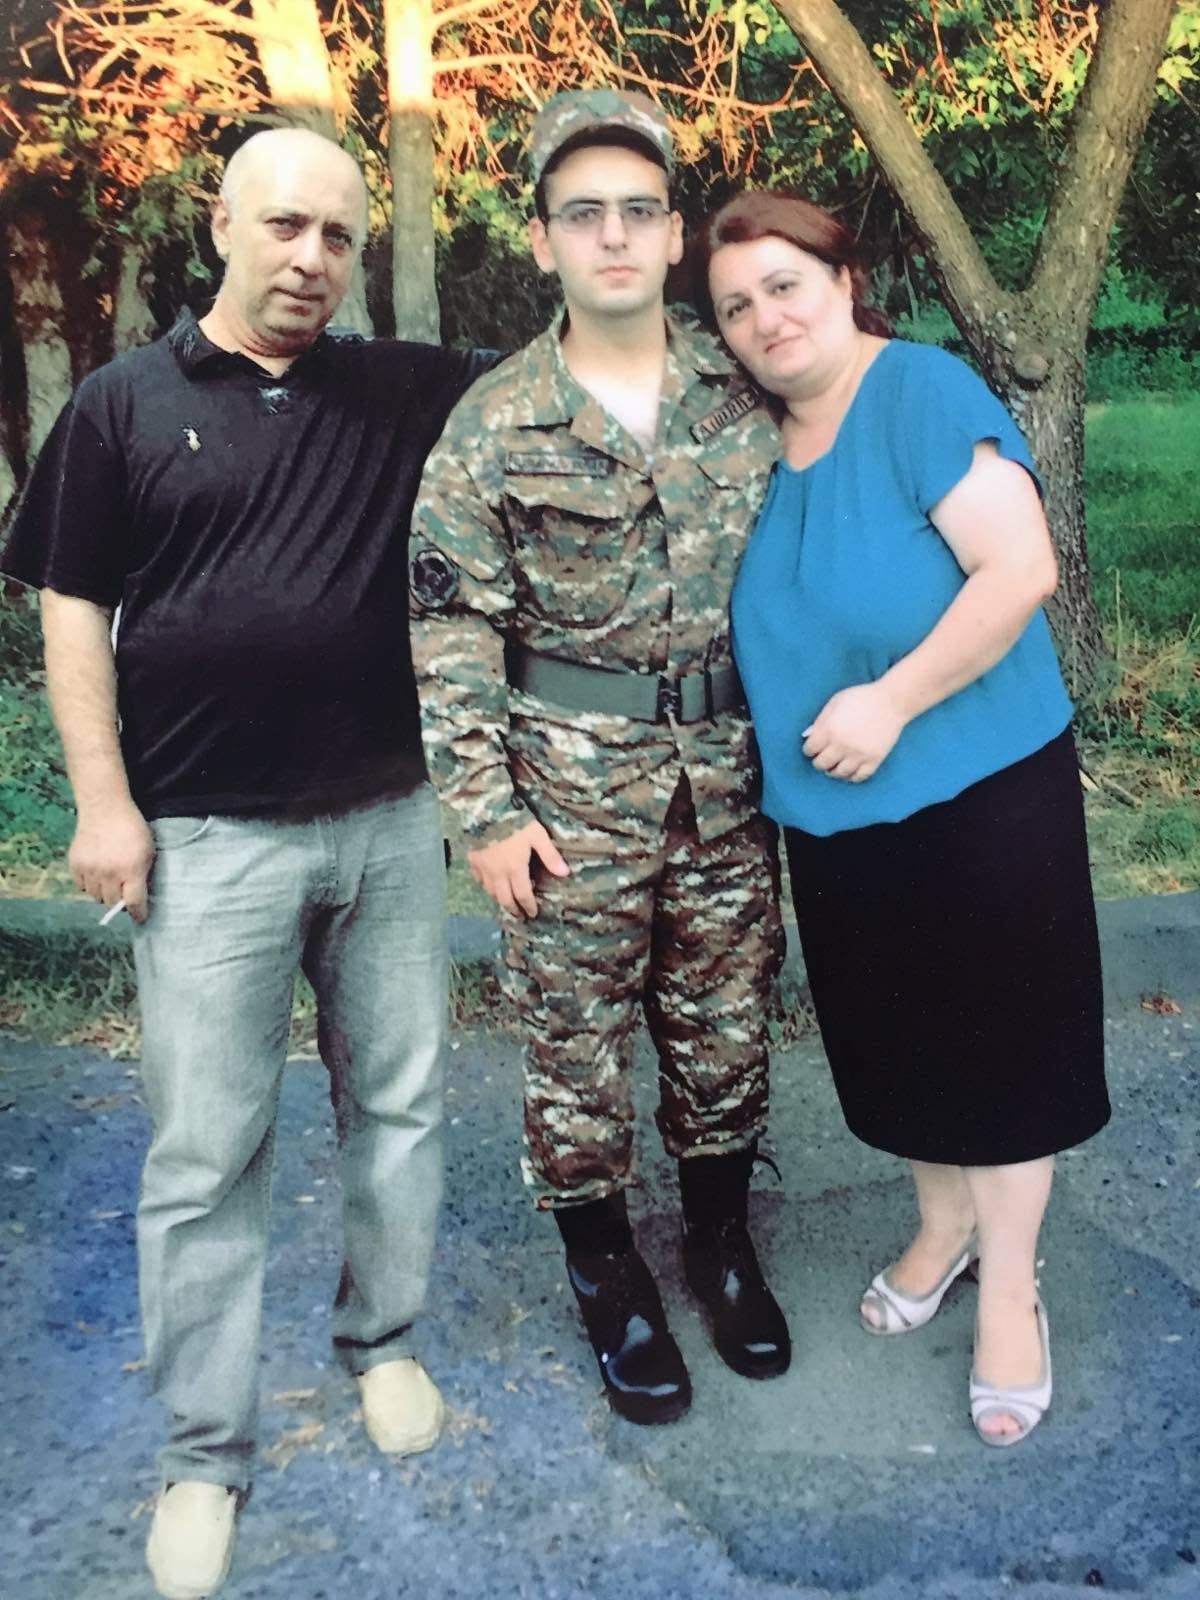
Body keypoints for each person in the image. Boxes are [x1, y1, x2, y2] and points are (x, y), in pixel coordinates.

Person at [0, 128, 496, 1598]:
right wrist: (104, 804)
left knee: (398, 1107)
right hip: (207, 838)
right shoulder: (124, 405)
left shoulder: (399, 391)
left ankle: (381, 1344)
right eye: (285, 226)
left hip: (389, 822)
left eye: (338, 237)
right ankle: (203, 1455)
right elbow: (72, 610)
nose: (311, 259)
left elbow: (575, 374)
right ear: (221, 224)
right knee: (206, 1153)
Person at [689, 190, 1110, 1448]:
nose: (765, 317)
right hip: (834, 812)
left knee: (1004, 1048)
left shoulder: (917, 391)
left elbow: (1020, 567)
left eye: (784, 284)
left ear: (842, 277)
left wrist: (892, 698)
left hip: (982, 790)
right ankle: (944, 1223)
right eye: (735, 306)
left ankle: (1013, 1289)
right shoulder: (753, 446)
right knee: (899, 1041)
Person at [409, 89, 791, 1426]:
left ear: (678, 234)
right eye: (584, 215)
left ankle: (723, 1243)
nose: (614, 236)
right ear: (542, 241)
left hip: (731, 781)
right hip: (568, 795)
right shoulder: (495, 424)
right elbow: (451, 624)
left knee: (726, 1027)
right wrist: (484, 812)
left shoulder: (747, 388)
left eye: (639, 210)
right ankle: (607, 1270)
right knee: (574, 1048)